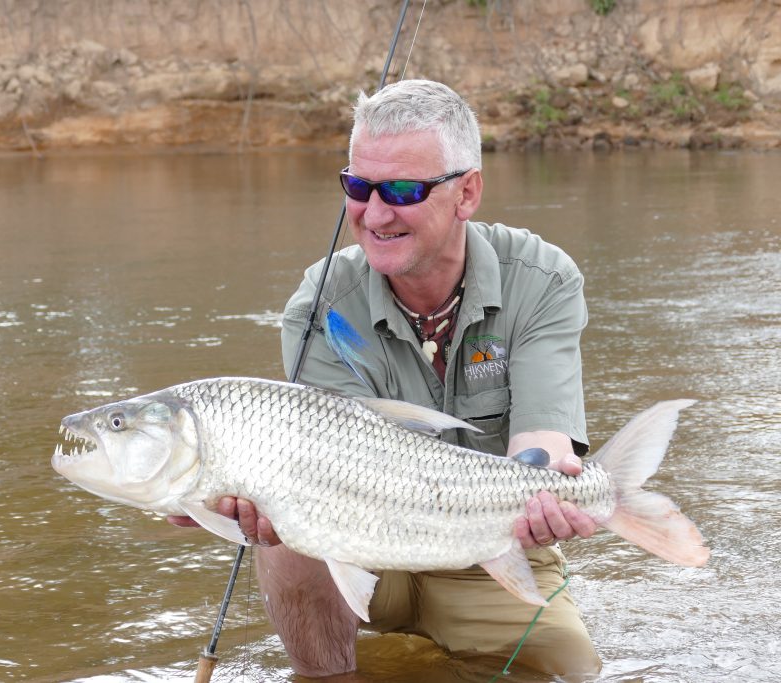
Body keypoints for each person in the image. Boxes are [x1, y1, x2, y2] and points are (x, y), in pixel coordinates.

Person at [172, 79, 601, 678]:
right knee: (288, 528)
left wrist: (555, 498)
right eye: (358, 186)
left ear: (467, 192)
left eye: (401, 188)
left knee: (570, 672)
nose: (374, 213)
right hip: (359, 543)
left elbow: (543, 446)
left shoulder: (544, 278)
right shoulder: (320, 305)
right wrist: (223, 501)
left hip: (487, 546)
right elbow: (310, 470)